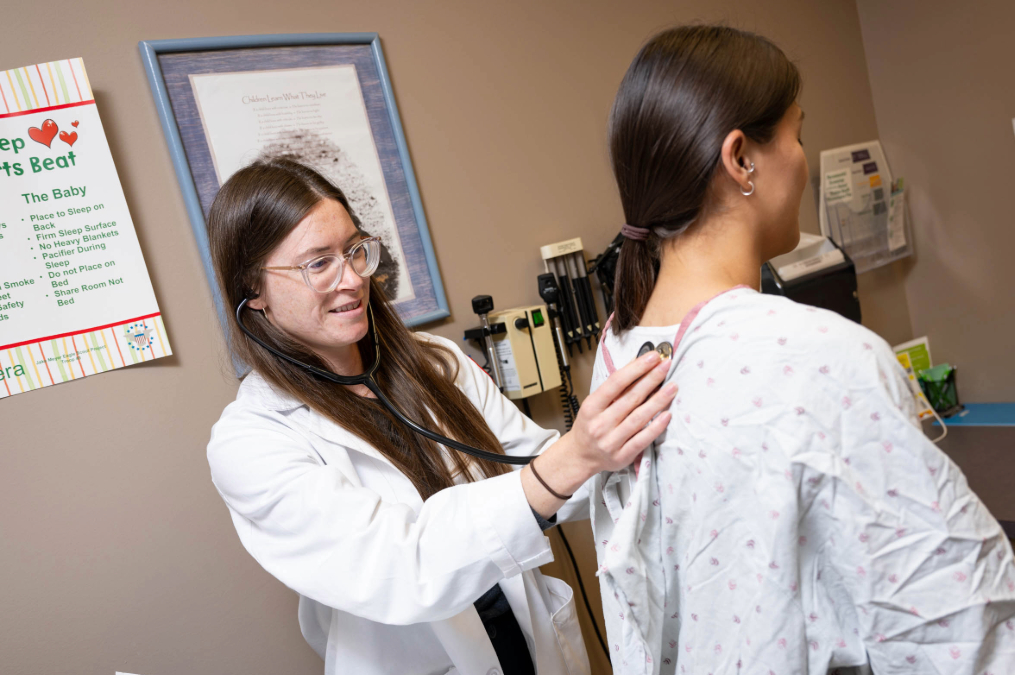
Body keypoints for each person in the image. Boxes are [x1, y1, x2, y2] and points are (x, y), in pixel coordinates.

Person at [589, 25, 1015, 674]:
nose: (802, 158)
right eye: (796, 132)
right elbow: (956, 628)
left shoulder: (617, 354)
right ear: (740, 159)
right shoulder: (819, 355)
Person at [204, 157, 678, 675]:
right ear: (254, 292)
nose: (353, 279)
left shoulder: (434, 362)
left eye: (355, 251)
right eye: (318, 263)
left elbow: (531, 465)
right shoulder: (250, 444)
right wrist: (573, 458)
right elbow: (402, 567)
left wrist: (633, 438)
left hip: (528, 644)